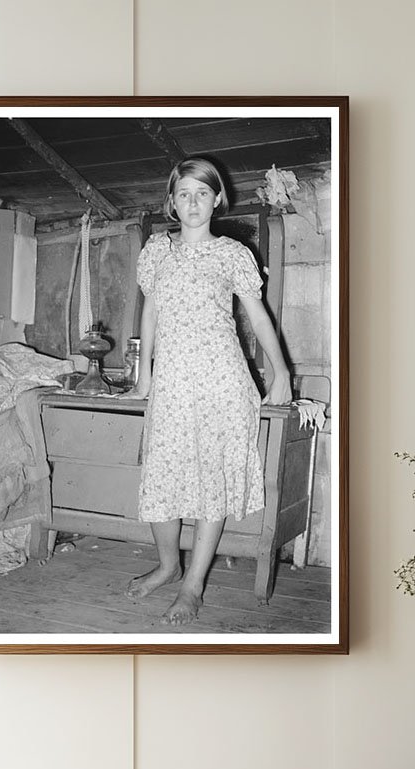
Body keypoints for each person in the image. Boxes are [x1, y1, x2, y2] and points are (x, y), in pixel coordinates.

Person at [122, 156, 292, 624]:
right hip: (173, 384)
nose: (193, 202)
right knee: (162, 477)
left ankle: (193, 586)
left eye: (202, 193)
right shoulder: (157, 250)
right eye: (184, 194)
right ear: (172, 203)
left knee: (208, 484)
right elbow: (150, 313)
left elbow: (258, 318)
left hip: (222, 383)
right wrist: (144, 374)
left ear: (218, 199)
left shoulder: (233, 254)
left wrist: (281, 374)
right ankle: (168, 565)